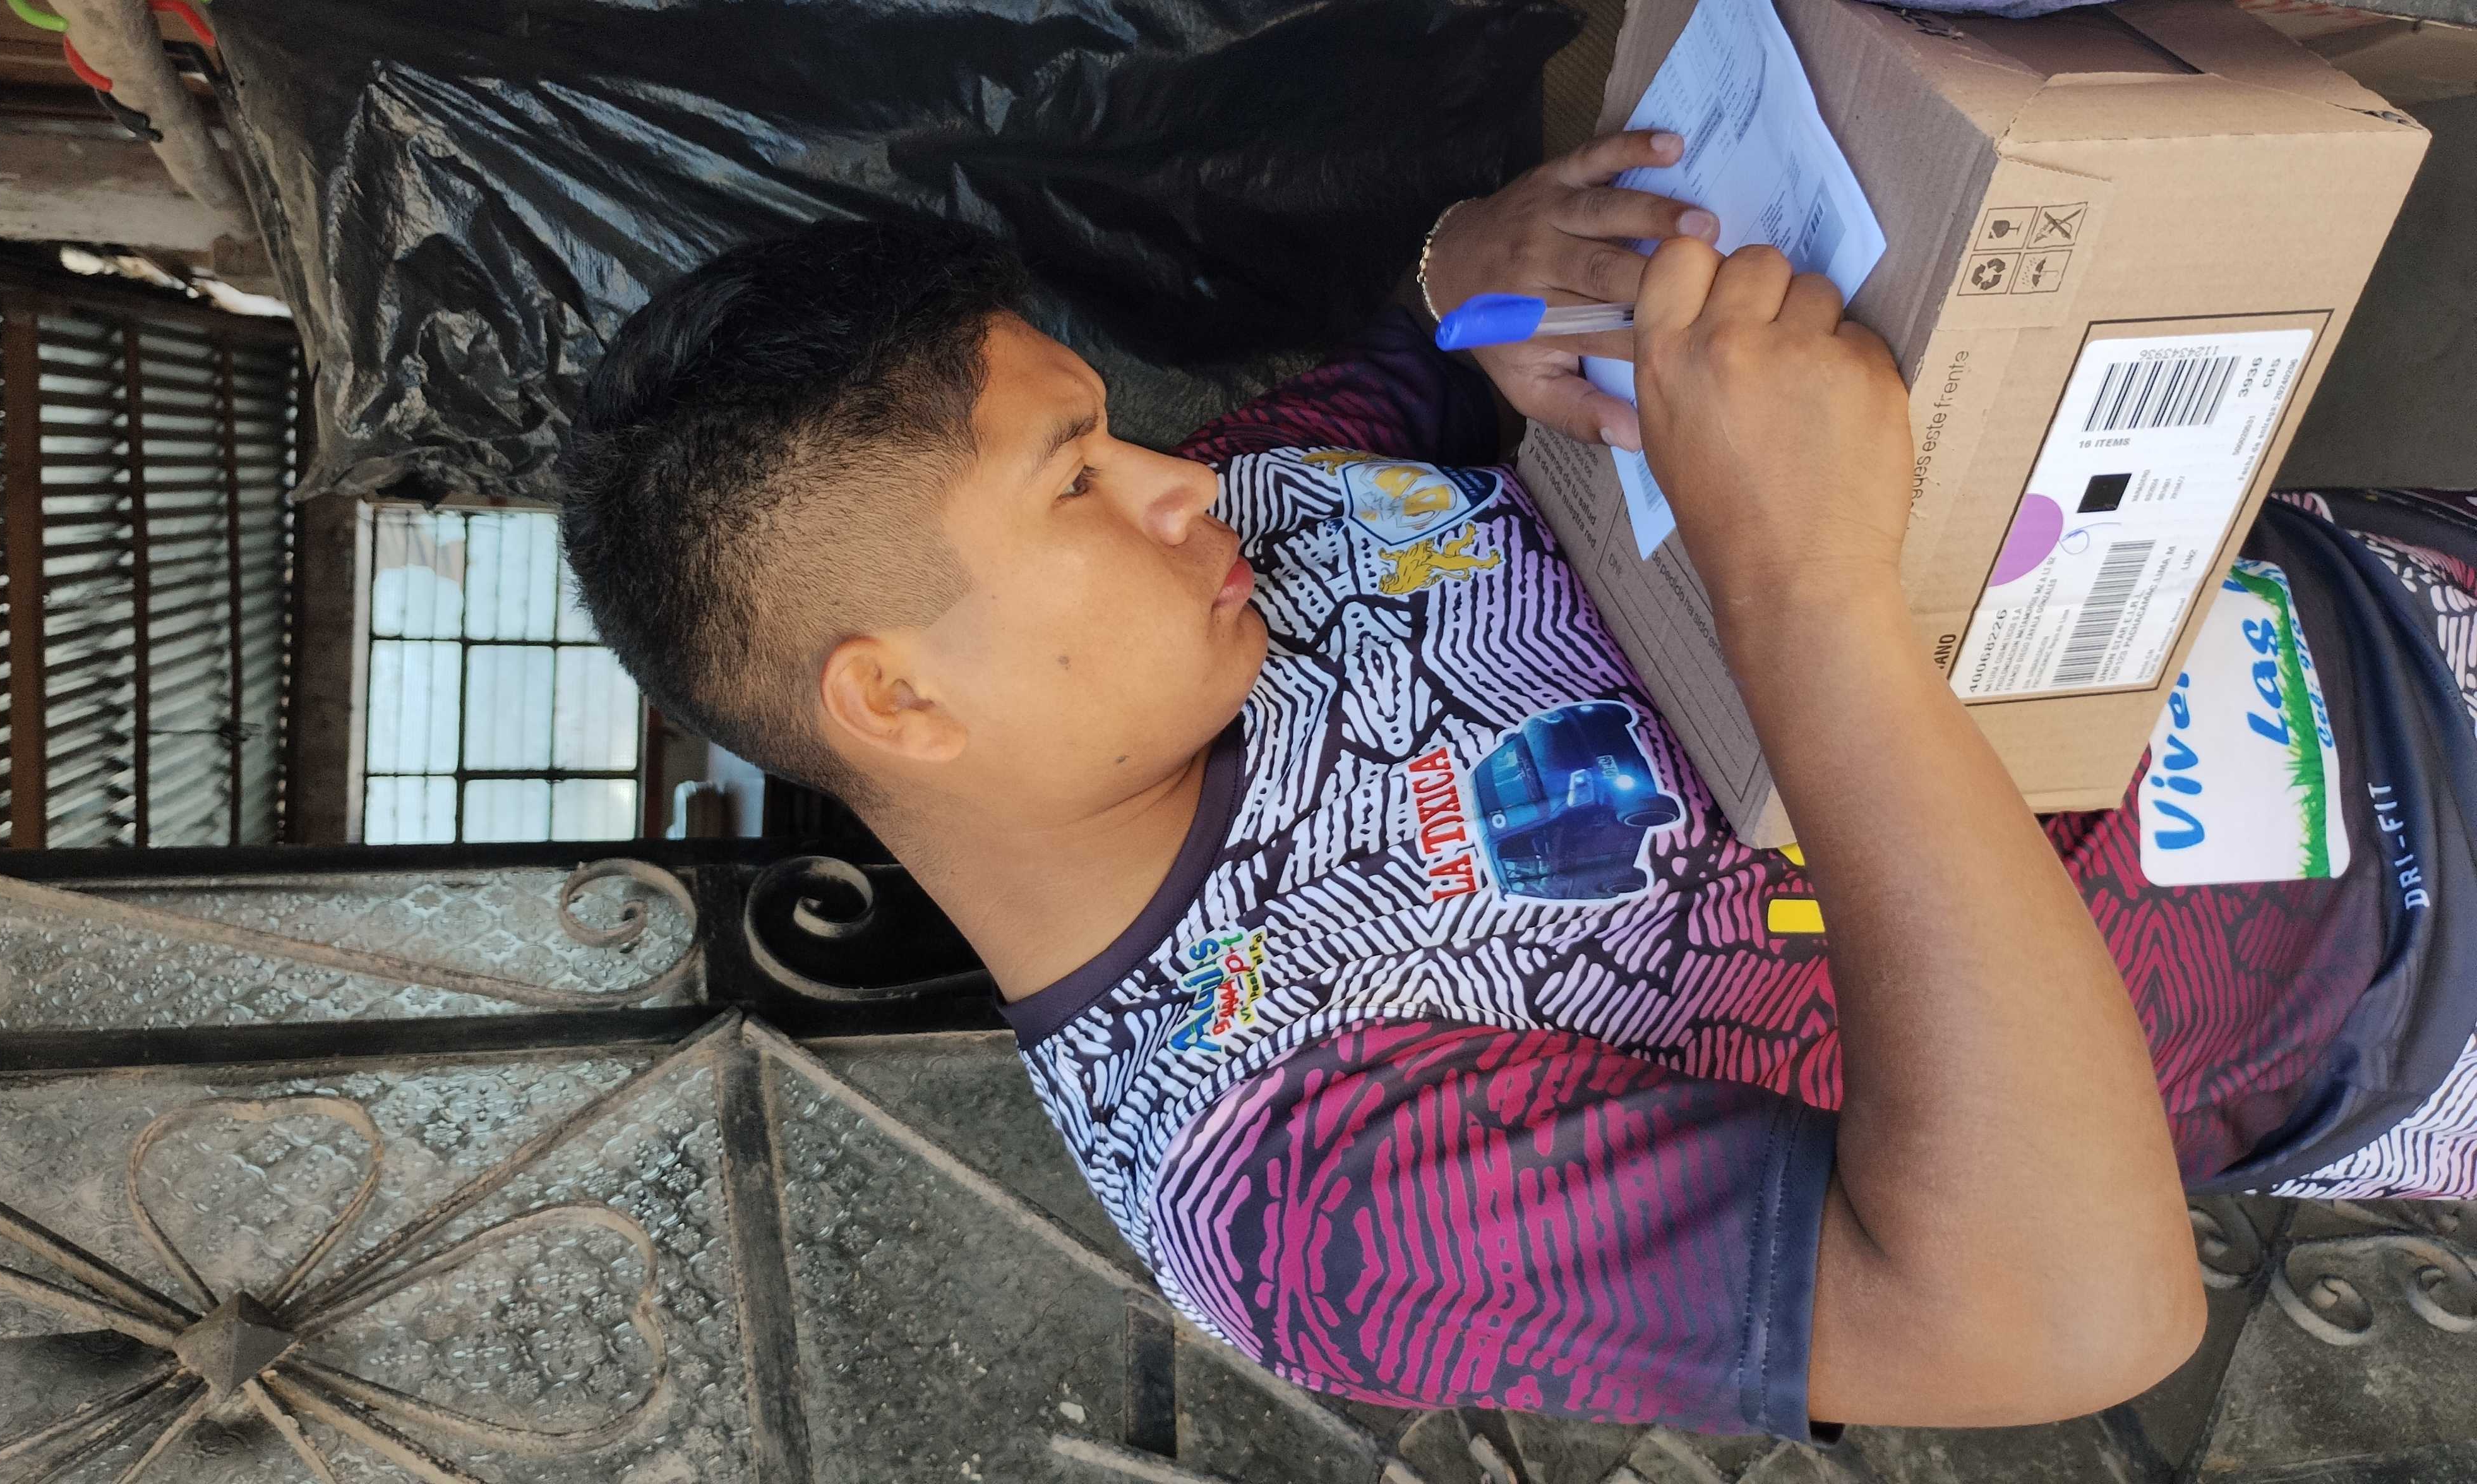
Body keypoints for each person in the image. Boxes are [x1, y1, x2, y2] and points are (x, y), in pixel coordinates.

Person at [560, 130, 2477, 1439]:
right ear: (898, 701)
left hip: (2373, 581)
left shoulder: (1245, 537)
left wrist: (1456, 268)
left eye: (1115, 429)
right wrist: (1800, 592)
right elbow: (2063, 1317)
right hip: (2423, 981)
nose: (1181, 479)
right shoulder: (1279, 1170)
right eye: (1075, 478)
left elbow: (1441, 358)